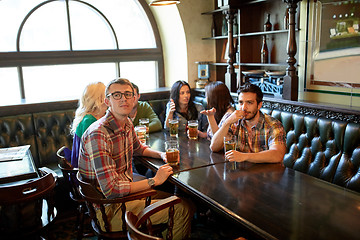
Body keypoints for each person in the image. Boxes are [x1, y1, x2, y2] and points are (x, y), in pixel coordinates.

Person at [78, 78, 194, 239]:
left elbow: (138, 148)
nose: (124, 99)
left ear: (135, 99)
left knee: (179, 200)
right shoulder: (98, 133)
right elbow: (111, 190)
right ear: (107, 101)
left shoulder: (126, 123)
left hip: (123, 195)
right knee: (183, 208)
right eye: (117, 95)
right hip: (110, 209)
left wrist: (161, 155)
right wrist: (154, 181)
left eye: (128, 94)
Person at [210, 83, 286, 163]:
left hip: (268, 174)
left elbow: (278, 155)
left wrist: (244, 156)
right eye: (241, 102)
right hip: (241, 172)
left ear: (259, 105)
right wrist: (227, 122)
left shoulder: (273, 125)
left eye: (249, 102)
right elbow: (214, 147)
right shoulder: (234, 122)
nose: (244, 108)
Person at [70, 82, 107, 168]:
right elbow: (94, 153)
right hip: (86, 172)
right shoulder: (89, 121)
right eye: (107, 95)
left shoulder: (95, 117)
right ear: (100, 99)